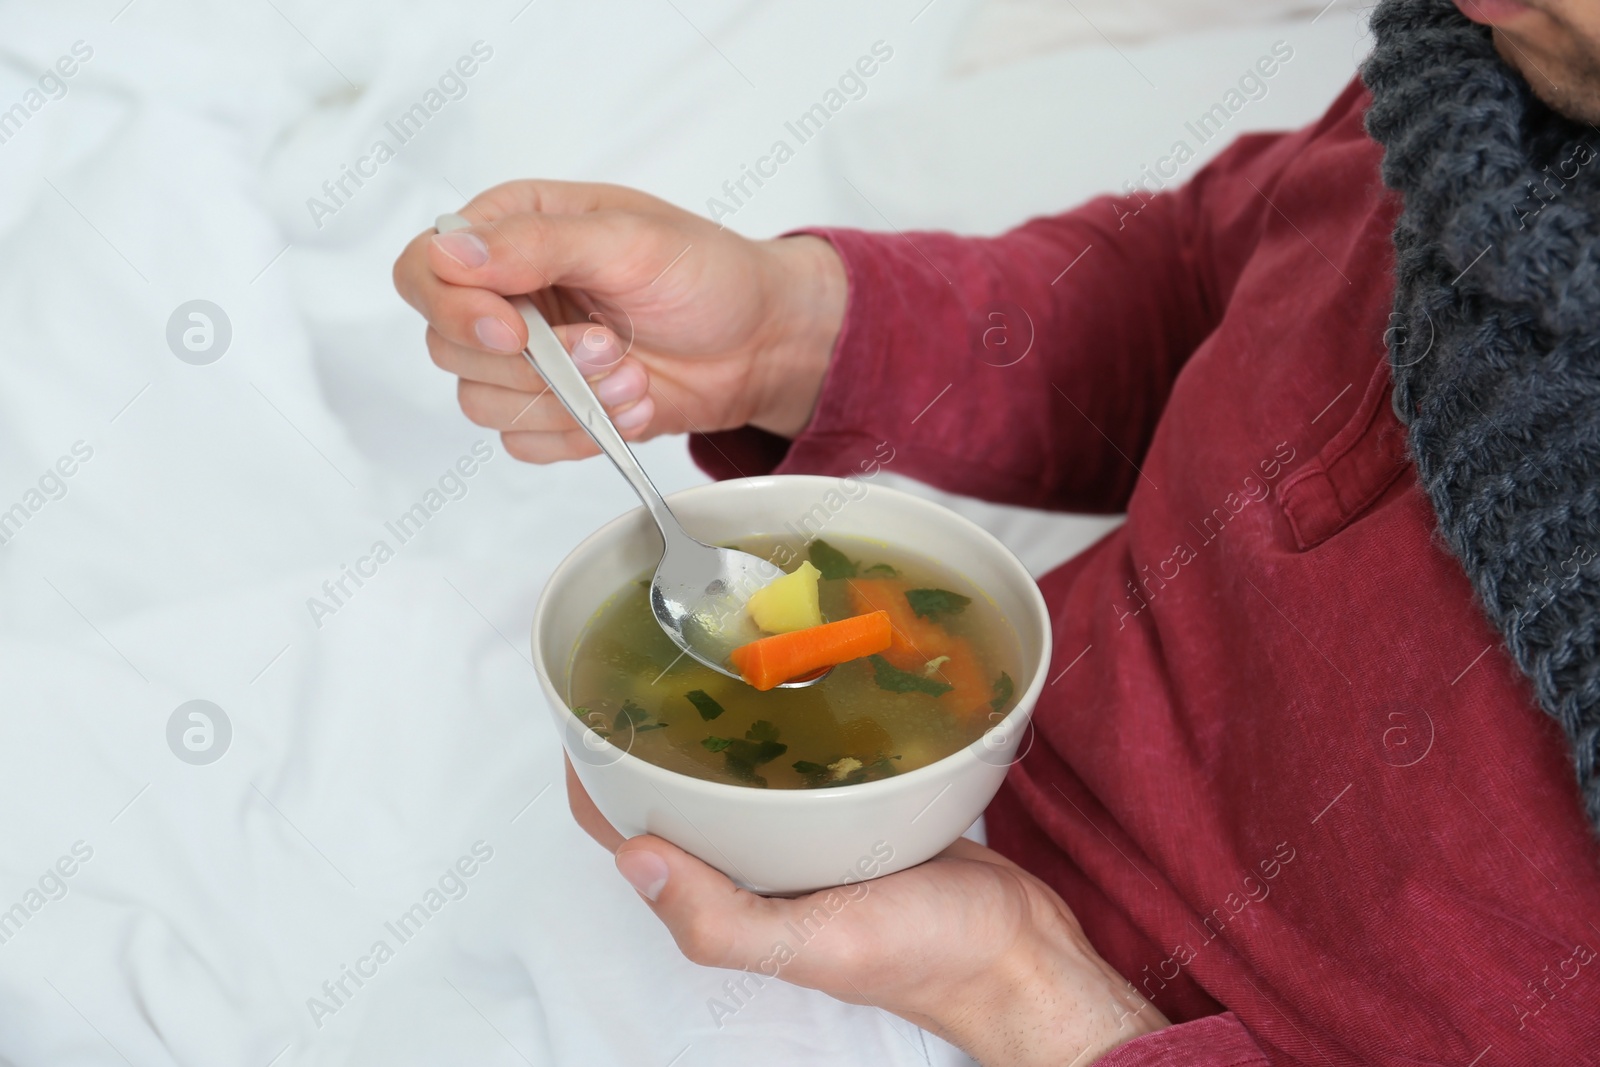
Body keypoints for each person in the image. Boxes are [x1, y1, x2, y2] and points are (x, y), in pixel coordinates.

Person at [392, 0, 1600, 1061]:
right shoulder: (1497, 63)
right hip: (938, 805)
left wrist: (1020, 991)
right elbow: (1205, 288)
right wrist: (788, 331)